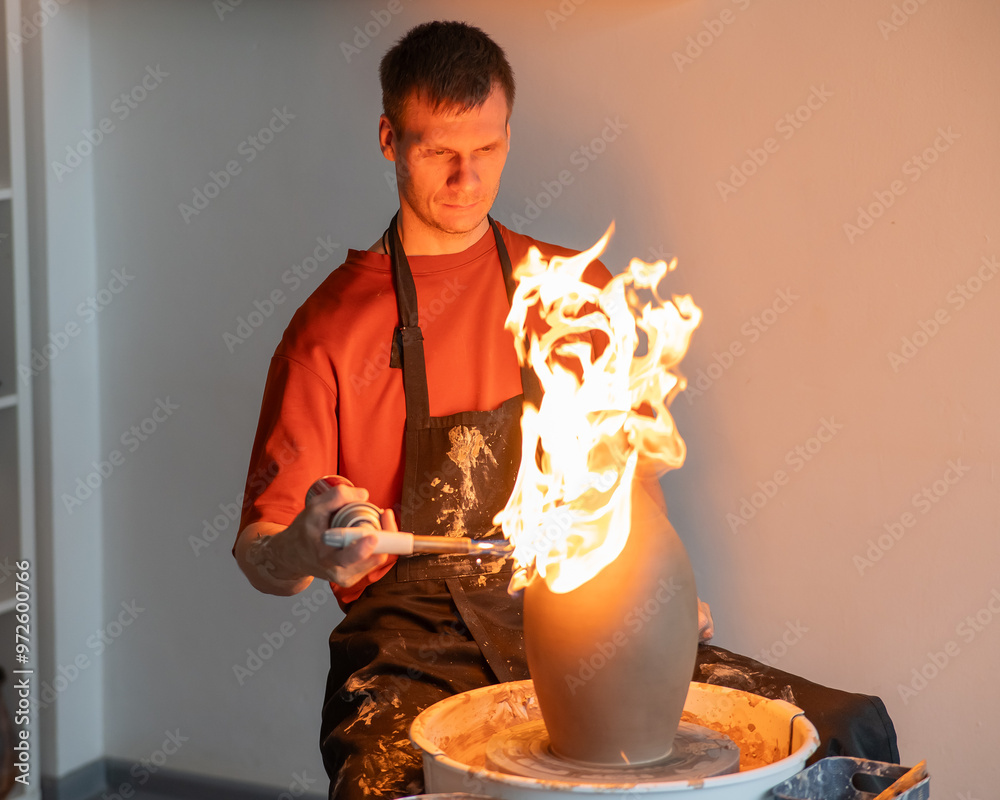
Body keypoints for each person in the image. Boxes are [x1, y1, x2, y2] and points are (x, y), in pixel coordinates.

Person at [234, 20, 897, 800]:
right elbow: (260, 555)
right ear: (389, 139)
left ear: (508, 132)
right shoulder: (330, 329)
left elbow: (627, 483)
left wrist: (660, 593)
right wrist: (309, 550)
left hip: (572, 612)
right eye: (438, 151)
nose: (466, 178)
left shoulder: (572, 293)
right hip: (411, 645)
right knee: (395, 786)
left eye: (486, 149)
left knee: (846, 733)